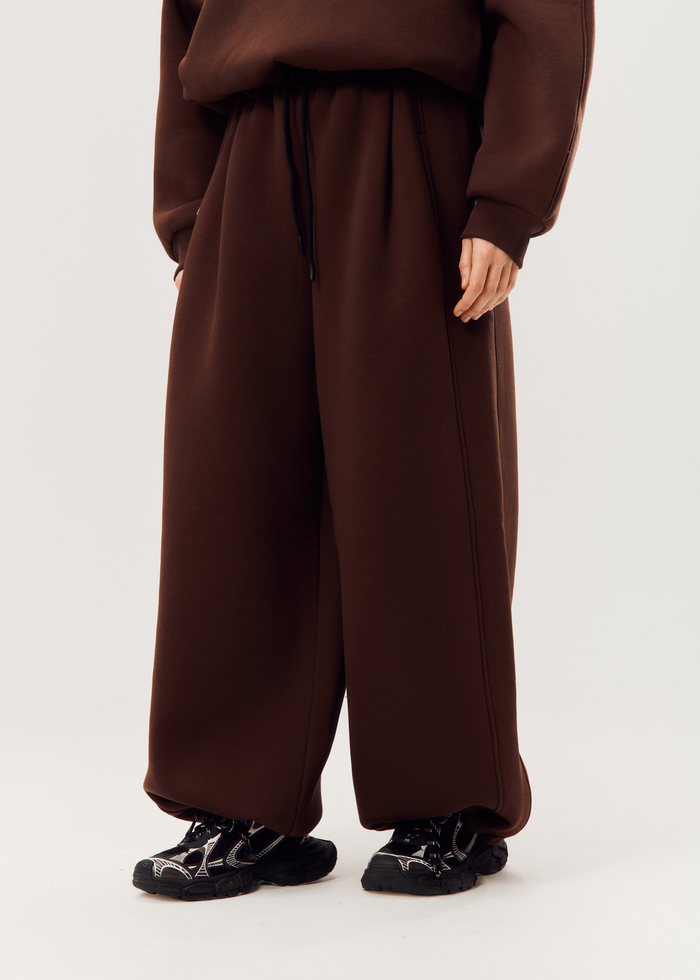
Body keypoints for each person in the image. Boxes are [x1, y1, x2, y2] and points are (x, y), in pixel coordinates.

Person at [132, 0, 595, 900]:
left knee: (417, 483)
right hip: (249, 156)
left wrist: (506, 202)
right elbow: (185, 21)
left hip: (412, 140)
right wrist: (191, 215)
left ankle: (447, 803)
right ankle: (241, 803)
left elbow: (543, 17)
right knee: (233, 487)